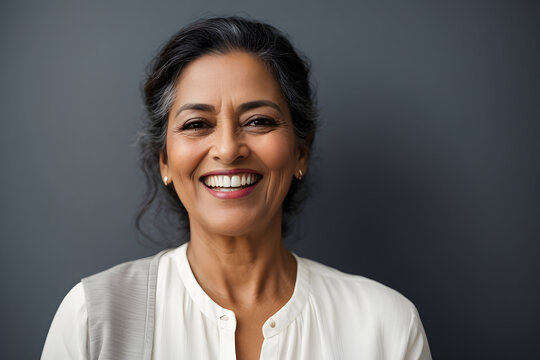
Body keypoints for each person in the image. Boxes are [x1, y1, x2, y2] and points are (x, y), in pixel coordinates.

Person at [41, 17, 432, 360]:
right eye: (197, 124)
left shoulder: (384, 326)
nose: (228, 149)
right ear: (164, 161)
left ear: (301, 151)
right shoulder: (94, 319)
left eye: (259, 121)